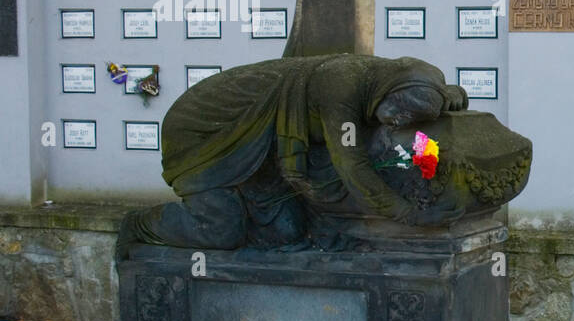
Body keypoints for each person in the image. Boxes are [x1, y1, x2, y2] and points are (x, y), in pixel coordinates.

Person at [118, 54, 467, 251]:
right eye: (397, 113)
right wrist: (407, 214)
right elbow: (351, 164)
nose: (398, 123)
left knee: (288, 233)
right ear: (388, 93)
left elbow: (422, 93)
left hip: (263, 154)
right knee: (220, 232)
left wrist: (449, 96)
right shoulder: (340, 86)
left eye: (407, 119)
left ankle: (249, 204)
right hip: (208, 131)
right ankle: (140, 225)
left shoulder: (401, 80)